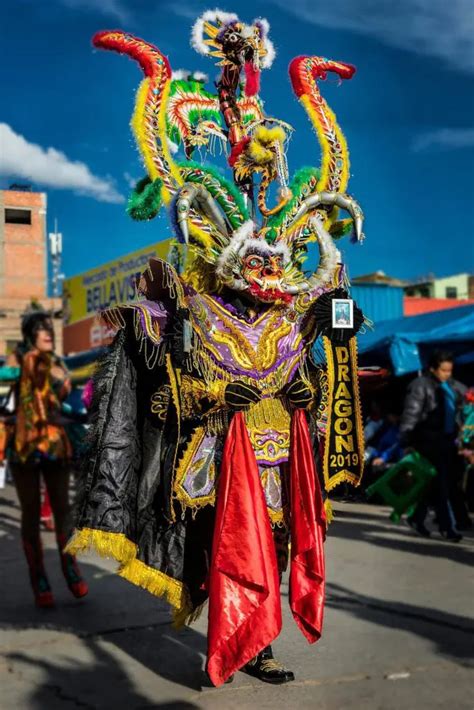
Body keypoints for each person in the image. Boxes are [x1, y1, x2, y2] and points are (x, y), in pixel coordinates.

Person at [67, 11, 366, 687]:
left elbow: (321, 369)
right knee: (228, 547)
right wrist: (208, 391)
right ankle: (231, 640)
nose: (265, 273)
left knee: (278, 545)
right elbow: (166, 379)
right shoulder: (199, 305)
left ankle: (255, 645)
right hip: (218, 450)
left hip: (282, 450)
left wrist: (306, 391)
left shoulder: (294, 317)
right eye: (254, 259)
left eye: (276, 258)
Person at [3, 311, 88, 607]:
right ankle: (38, 576)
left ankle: (71, 568)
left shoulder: (56, 361)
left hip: (54, 444)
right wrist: (23, 371)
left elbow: (67, 390)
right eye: (41, 329)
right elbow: (3, 389)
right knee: (30, 511)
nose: (48, 333)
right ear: (29, 334)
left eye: (49, 328)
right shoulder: (16, 359)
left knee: (63, 509)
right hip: (24, 446)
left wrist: (55, 374)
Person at [399, 350, 467, 542]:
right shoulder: (421, 386)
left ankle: (416, 518)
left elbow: (466, 399)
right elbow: (411, 415)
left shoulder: (452, 387)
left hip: (448, 443)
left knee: (433, 485)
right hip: (427, 442)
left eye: (449, 370)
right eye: (444, 370)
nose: (447, 374)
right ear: (433, 368)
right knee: (442, 485)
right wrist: (407, 442)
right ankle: (448, 528)